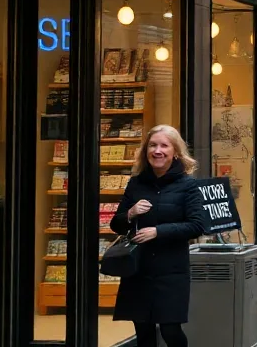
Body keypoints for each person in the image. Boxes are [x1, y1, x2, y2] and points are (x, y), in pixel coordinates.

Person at [110, 125, 206, 347]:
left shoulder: (188, 185)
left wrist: (158, 232)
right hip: (139, 270)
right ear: (146, 151)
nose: (157, 151)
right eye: (152, 145)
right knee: (143, 333)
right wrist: (131, 213)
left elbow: (197, 225)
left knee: (171, 331)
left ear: (175, 152)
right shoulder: (136, 183)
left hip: (171, 271)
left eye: (164, 146)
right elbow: (116, 225)